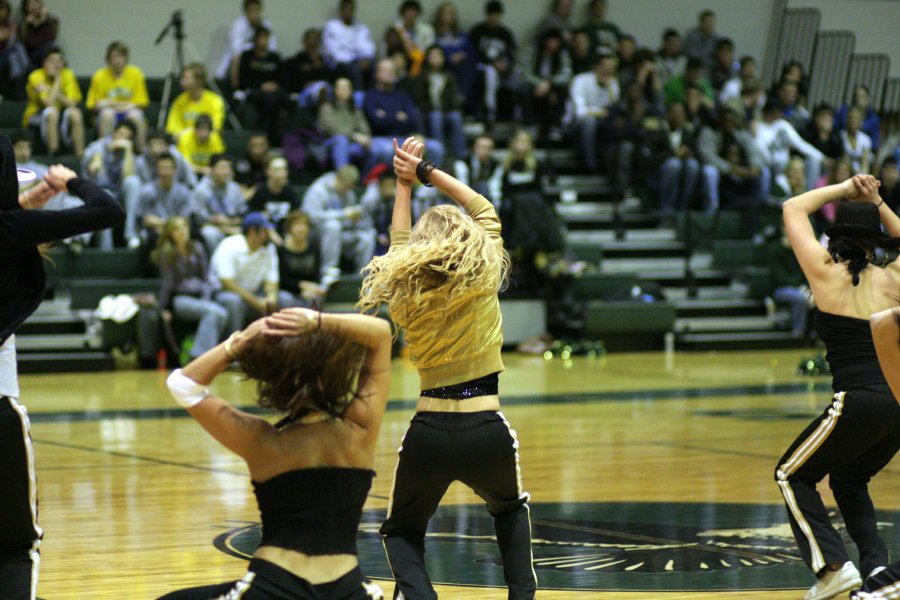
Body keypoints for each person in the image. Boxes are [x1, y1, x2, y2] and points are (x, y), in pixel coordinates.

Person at [358, 137, 537, 600]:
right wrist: (424, 171)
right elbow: (483, 208)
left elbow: (399, 248)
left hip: (429, 431)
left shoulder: (407, 289)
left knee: (401, 530)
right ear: (467, 239)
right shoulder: (484, 270)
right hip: (487, 428)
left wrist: (402, 187)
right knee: (510, 511)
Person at [158, 306, 391, 599]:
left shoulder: (261, 441)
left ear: (270, 378)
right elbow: (381, 333)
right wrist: (317, 321)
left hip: (273, 587)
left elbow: (183, 385)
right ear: (339, 371)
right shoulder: (359, 431)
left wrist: (239, 342)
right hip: (348, 589)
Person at [0, 136, 124, 599]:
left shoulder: (14, 227)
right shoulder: (12, 229)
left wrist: (24, 209)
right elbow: (108, 211)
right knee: (16, 547)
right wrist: (74, 181)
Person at [775, 174, 900, 600]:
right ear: (874, 240)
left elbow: (793, 207)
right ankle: (877, 568)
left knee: (791, 474)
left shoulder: (825, 273)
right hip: (898, 402)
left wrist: (845, 188)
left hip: (859, 400)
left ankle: (831, 568)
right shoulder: (893, 280)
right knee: (849, 478)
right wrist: (879, 201)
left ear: (836, 237)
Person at [153, 216, 228, 361]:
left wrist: (206, 298)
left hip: (199, 297)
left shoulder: (197, 247)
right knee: (212, 312)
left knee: (222, 313)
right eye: (177, 229)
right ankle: (200, 357)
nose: (182, 232)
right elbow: (168, 283)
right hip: (180, 299)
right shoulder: (167, 253)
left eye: (184, 227)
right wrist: (164, 308)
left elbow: (205, 277)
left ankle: (201, 353)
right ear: (170, 234)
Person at [210, 211, 291, 334]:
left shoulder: (269, 249)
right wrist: (256, 302)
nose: (270, 235)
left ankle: (281, 345)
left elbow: (271, 281)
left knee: (285, 299)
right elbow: (227, 283)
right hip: (225, 294)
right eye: (266, 231)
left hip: (254, 295)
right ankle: (233, 346)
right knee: (234, 301)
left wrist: (271, 298)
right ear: (253, 231)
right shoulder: (229, 245)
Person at [302, 164, 375, 280]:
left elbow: (348, 222)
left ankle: (363, 277)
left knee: (367, 236)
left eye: (349, 187)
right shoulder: (318, 190)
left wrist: (355, 220)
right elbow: (311, 217)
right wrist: (343, 214)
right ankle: (329, 273)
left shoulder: (348, 194)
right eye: (345, 187)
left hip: (340, 235)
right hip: (316, 235)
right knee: (333, 226)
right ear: (338, 179)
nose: (347, 190)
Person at [81, 119, 142, 248]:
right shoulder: (99, 145)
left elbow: (128, 175)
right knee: (106, 195)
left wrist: (129, 151)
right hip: (98, 192)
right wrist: (97, 161)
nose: (122, 138)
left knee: (134, 182)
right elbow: (93, 165)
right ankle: (106, 248)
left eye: (127, 136)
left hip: (120, 195)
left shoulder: (129, 152)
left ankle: (130, 235)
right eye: (120, 134)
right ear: (114, 133)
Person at [22, 46, 84, 158]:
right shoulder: (36, 76)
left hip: (61, 113)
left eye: (60, 61)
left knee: (75, 113)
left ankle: (80, 155)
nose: (56, 65)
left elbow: (72, 104)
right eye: (52, 61)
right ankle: (53, 153)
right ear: (44, 63)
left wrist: (53, 85)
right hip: (36, 115)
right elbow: (48, 103)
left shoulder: (67, 74)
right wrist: (57, 83)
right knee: (52, 112)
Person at [85, 40, 149, 151]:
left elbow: (141, 104)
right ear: (108, 59)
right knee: (107, 114)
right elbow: (95, 105)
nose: (118, 60)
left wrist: (109, 103)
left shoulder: (136, 73)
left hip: (129, 113)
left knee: (136, 115)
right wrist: (126, 104)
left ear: (126, 58)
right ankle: (105, 151)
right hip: (109, 113)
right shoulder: (99, 76)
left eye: (122, 56)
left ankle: (141, 152)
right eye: (115, 56)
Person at [235, 25, 287, 146]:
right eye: (261, 38)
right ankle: (266, 137)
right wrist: (261, 85)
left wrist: (275, 85)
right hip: (254, 90)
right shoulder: (247, 56)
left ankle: (284, 138)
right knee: (269, 99)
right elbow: (243, 80)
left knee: (283, 99)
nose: (264, 41)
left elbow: (283, 79)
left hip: (273, 91)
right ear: (255, 40)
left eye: (267, 38)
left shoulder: (275, 57)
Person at [469, 0, 517, 125]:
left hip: (502, 67)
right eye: (492, 14)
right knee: (490, 73)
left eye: (497, 15)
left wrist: (506, 64)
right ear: (487, 15)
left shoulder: (505, 34)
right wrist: (492, 62)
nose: (494, 17)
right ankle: (490, 110)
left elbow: (512, 53)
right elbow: (473, 53)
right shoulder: (477, 31)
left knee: (517, 73)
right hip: (481, 67)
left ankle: (514, 111)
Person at [192, 153, 247, 253]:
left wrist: (231, 223)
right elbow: (199, 218)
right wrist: (221, 224)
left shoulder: (234, 188)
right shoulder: (201, 189)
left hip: (233, 224)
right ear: (211, 169)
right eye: (222, 168)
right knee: (210, 233)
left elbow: (243, 212)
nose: (226, 171)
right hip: (212, 227)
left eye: (228, 168)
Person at [317, 77, 372, 170]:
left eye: (346, 88)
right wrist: (354, 135)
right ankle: (343, 176)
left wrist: (365, 137)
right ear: (335, 90)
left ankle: (367, 179)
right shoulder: (326, 108)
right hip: (329, 142)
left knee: (376, 147)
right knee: (341, 140)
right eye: (340, 87)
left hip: (353, 144)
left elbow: (365, 129)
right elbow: (332, 130)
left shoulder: (355, 110)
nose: (343, 90)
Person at [165, 62, 226, 143]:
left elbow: (216, 130)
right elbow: (173, 132)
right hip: (185, 145)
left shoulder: (215, 101)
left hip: (208, 145)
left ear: (198, 80)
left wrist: (191, 133)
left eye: (186, 78)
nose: (182, 81)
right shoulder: (179, 101)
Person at [216, 0, 277, 81]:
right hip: (238, 61)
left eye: (258, 10)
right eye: (252, 10)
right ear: (246, 12)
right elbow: (237, 52)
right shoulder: (239, 26)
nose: (256, 14)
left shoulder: (266, 24)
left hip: (258, 60)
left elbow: (273, 48)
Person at [322, 0, 376, 90]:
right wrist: (355, 60)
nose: (348, 11)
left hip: (358, 61)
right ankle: (359, 97)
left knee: (374, 65)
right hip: (338, 64)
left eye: (351, 9)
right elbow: (333, 52)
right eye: (346, 8)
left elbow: (368, 47)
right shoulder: (331, 26)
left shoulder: (360, 27)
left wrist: (366, 59)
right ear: (340, 10)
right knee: (355, 70)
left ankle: (371, 97)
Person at [277, 210, 325, 308]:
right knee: (284, 298)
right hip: (287, 291)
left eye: (305, 225)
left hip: (307, 291)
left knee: (315, 298)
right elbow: (281, 279)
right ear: (289, 228)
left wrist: (310, 289)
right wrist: (301, 286)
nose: (301, 228)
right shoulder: (281, 250)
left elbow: (316, 275)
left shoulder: (313, 248)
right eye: (297, 224)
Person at [247, 154, 299, 225]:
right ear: (268, 172)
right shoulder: (260, 192)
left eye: (284, 169)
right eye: (277, 170)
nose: (282, 173)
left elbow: (296, 215)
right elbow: (252, 217)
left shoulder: (291, 191)